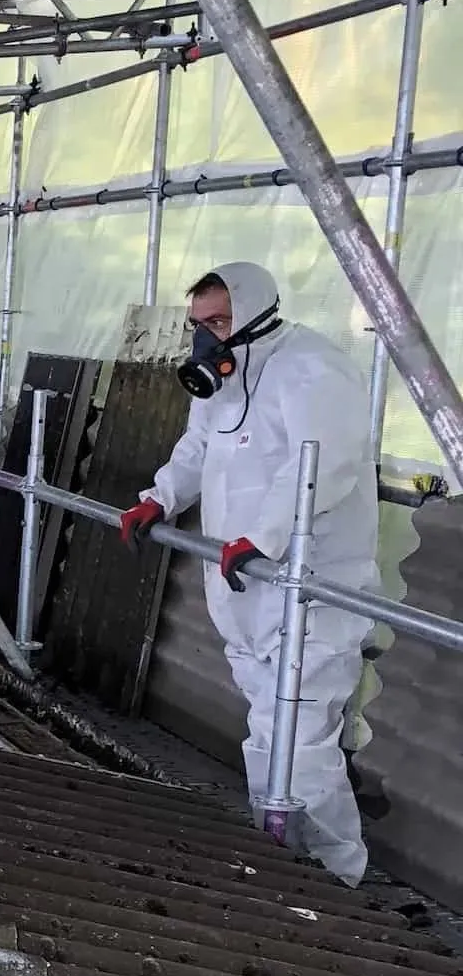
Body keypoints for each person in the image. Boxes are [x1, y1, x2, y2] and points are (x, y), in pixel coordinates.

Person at [118, 262, 378, 887]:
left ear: (256, 311)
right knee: (267, 728)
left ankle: (337, 877)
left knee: (301, 742)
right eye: (198, 324)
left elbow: (325, 464)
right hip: (243, 585)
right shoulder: (225, 379)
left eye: (219, 321)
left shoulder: (312, 368)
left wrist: (262, 537)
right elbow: (197, 447)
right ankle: (283, 858)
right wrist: (160, 499)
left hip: (310, 589)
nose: (206, 337)